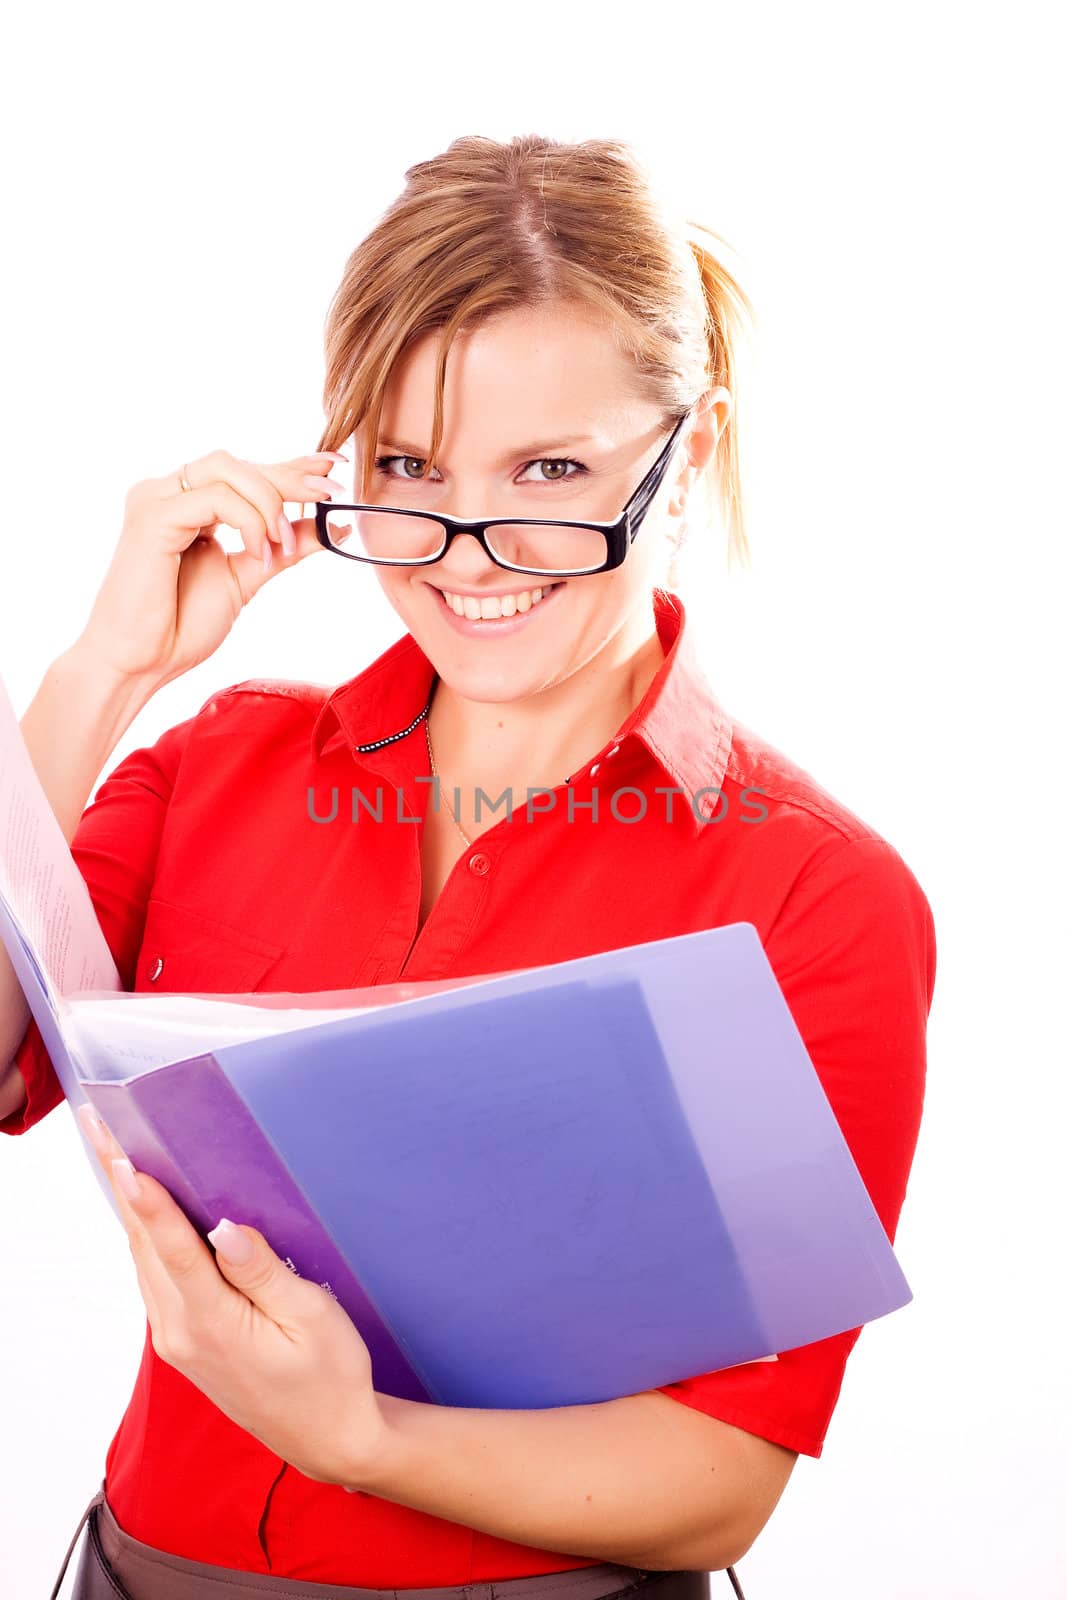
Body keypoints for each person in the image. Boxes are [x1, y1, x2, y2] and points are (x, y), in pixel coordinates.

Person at [0, 133, 935, 1600]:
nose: (466, 553)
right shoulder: (217, 767)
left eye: (550, 470)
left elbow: (719, 1484)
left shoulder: (814, 898)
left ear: (686, 458)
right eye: (411, 468)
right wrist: (106, 669)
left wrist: (362, 1436)